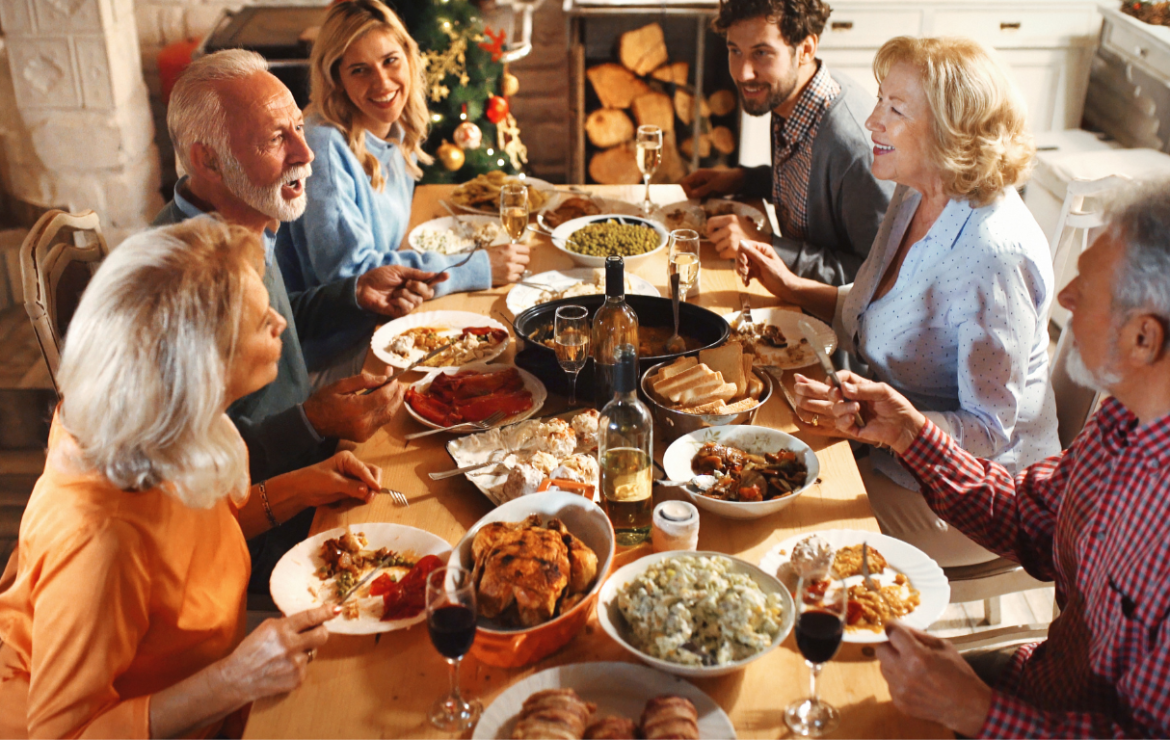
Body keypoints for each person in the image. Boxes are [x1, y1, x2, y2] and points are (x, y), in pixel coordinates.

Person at [790, 181, 1170, 738]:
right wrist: (908, 433)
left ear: (1143, 339)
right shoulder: (1124, 421)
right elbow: (1029, 518)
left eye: (1086, 287)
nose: (1064, 298)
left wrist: (976, 711)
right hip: (1036, 683)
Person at [0, 217, 385, 738]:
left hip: (210, 694)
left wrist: (304, 486)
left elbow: (192, 544)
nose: (281, 322)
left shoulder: (160, 421)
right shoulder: (100, 540)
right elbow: (62, 733)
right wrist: (234, 680)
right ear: (200, 369)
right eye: (260, 323)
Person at [740, 36, 1060, 567]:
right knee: (756, 461)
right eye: (879, 101)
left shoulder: (993, 254)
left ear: (953, 129)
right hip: (891, 449)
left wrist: (881, 423)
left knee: (781, 520)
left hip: (976, 496)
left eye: (895, 108)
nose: (872, 121)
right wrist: (792, 288)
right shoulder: (915, 192)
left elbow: (988, 430)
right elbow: (886, 308)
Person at [157, 49, 430, 588]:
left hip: (312, 458)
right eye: (274, 139)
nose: (306, 154)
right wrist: (314, 422)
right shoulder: (179, 284)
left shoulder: (246, 216)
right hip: (253, 532)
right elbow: (196, 473)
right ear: (208, 161)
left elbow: (268, 327)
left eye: (299, 128)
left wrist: (353, 294)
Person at [276, 0, 529, 295]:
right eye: (360, 70)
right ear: (337, 79)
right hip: (336, 323)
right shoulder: (323, 147)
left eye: (390, 60)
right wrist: (473, 268)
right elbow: (351, 275)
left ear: (409, 58)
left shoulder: (397, 129)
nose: (382, 83)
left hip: (391, 306)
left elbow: (388, 249)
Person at [680, 0, 892, 285]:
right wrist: (742, 179)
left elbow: (879, 278)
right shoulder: (789, 96)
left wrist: (767, 245)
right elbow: (807, 189)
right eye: (735, 51)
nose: (743, 73)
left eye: (762, 53)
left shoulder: (853, 149)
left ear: (805, 49)